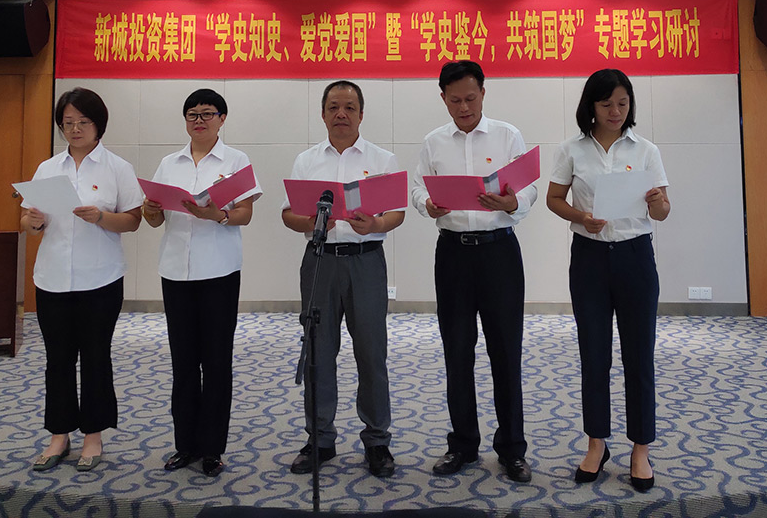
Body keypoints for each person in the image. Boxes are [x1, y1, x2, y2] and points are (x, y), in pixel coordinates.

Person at [411, 60, 537, 483]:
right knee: (457, 351)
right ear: (443, 99)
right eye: (454, 101)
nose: (463, 108)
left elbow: (529, 186)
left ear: (483, 93)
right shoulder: (433, 142)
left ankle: (512, 449)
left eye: (470, 98)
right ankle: (463, 444)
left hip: (499, 253)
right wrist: (427, 205)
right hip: (453, 255)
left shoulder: (507, 135)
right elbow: (417, 187)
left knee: (506, 352)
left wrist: (513, 202)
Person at [546, 68, 670, 492]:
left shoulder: (646, 150)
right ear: (591, 107)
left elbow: (662, 212)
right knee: (594, 356)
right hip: (590, 258)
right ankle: (596, 443)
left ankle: (641, 448)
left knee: (639, 356)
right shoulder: (572, 149)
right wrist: (581, 217)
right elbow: (554, 199)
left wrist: (657, 201)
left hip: (636, 258)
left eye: (622, 103)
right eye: (606, 104)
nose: (615, 111)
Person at [281, 80, 404, 478]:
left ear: (361, 114)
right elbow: (288, 214)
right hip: (320, 261)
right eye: (333, 106)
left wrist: (376, 224)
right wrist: (312, 221)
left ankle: (377, 440)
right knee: (318, 352)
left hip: (366, 262)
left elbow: (397, 213)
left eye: (350, 107)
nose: (341, 114)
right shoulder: (306, 161)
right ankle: (320, 439)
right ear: (322, 114)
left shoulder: (382, 159)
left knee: (371, 353)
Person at [142, 89, 262, 478]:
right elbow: (154, 220)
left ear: (222, 119)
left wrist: (216, 215)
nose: (199, 120)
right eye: (192, 114)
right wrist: (149, 209)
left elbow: (245, 213)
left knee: (216, 362)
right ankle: (186, 445)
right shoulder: (169, 163)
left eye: (207, 113)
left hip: (219, 272)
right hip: (176, 271)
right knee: (183, 363)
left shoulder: (236, 161)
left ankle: (212, 448)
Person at [22, 87, 143, 472]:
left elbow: (134, 220)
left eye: (83, 122)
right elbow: (27, 221)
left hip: (100, 280)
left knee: (95, 357)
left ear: (98, 125)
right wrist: (33, 221)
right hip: (52, 278)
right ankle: (59, 435)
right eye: (67, 123)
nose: (75, 129)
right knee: (57, 360)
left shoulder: (117, 168)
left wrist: (102, 218)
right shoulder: (48, 168)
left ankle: (93, 435)